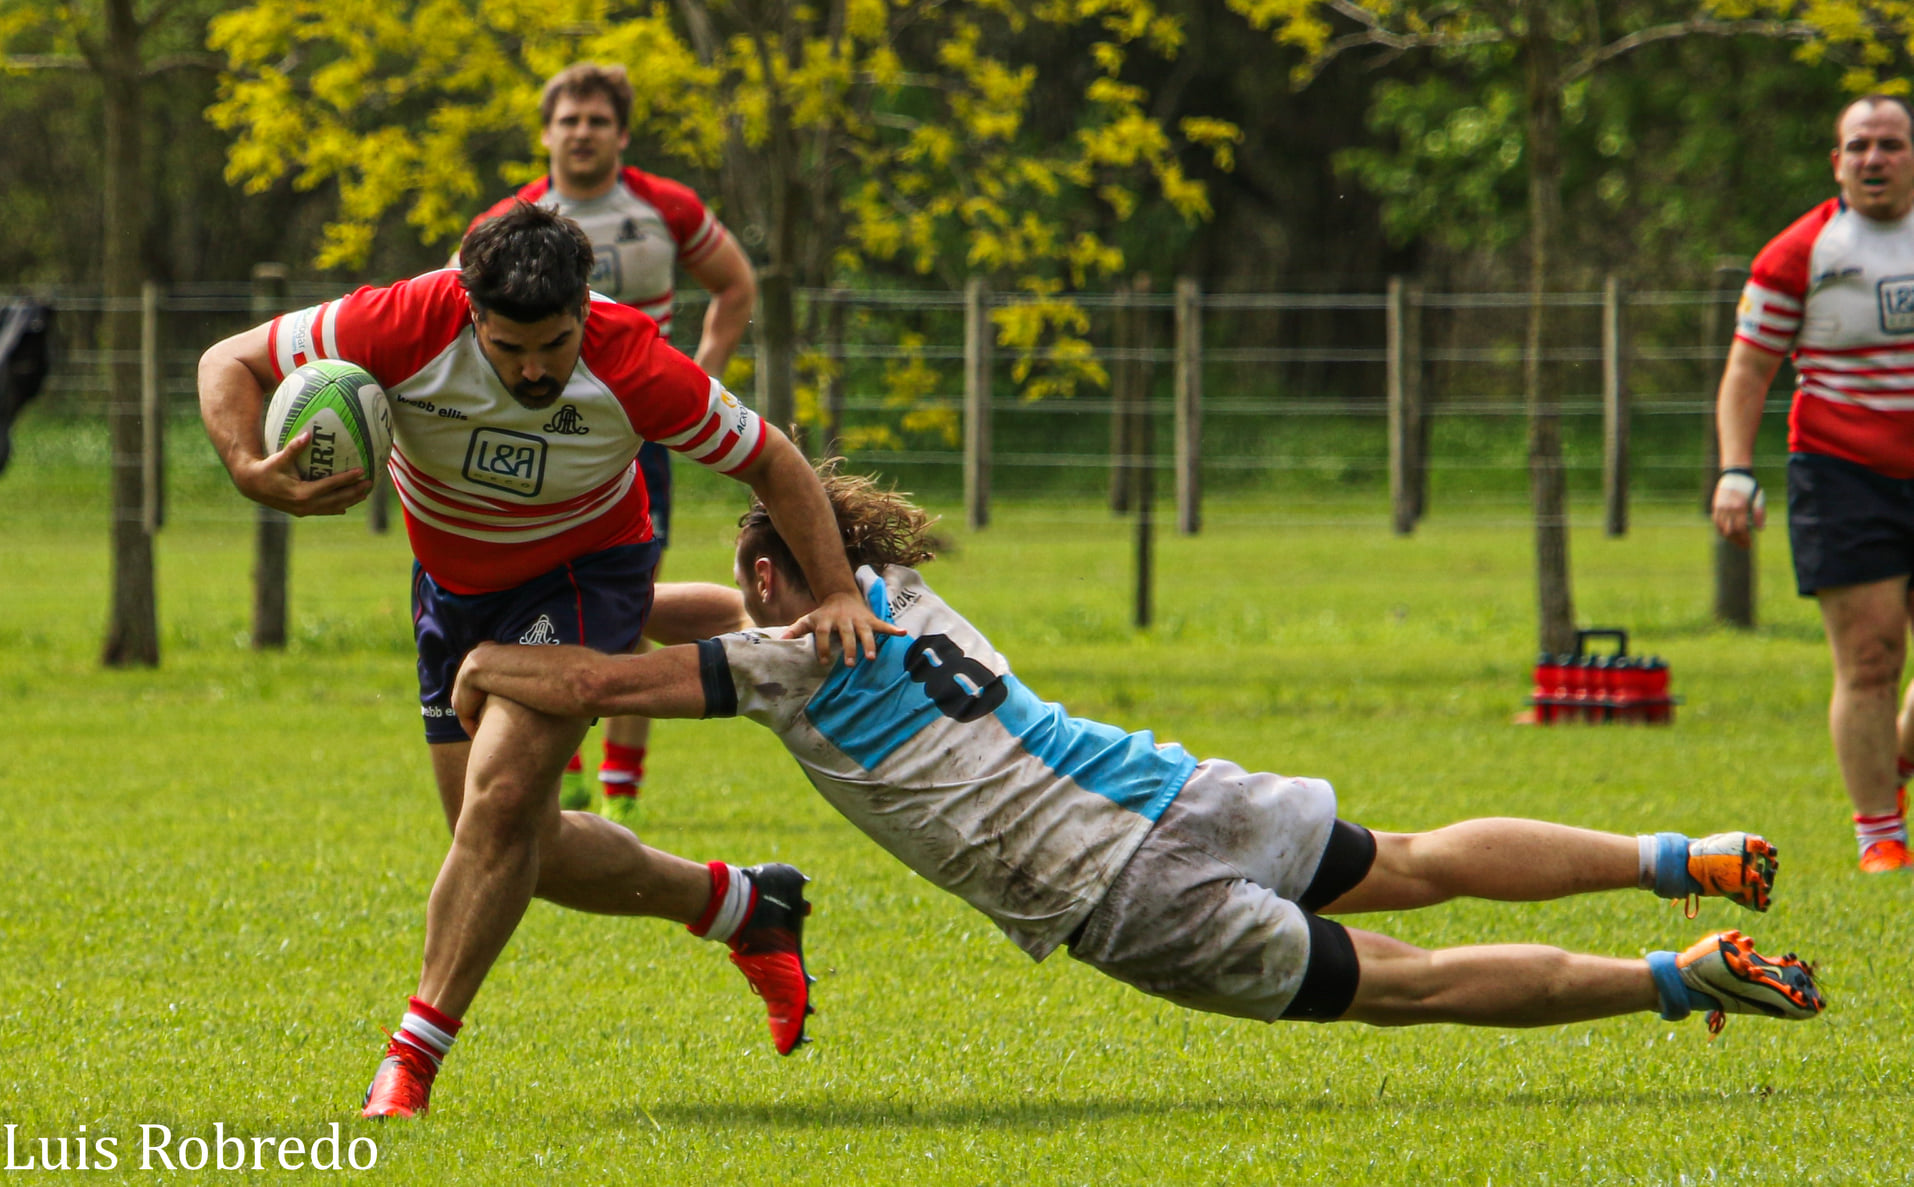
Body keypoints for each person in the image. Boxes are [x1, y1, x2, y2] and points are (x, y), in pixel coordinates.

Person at [454, 466, 1828, 1038]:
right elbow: (698, 609)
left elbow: (594, 679)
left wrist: (477, 659)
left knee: (1404, 984)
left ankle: (1677, 974)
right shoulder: (896, 594)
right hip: (1167, 785)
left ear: (771, 571)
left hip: (1112, 886)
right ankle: (1678, 856)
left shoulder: (779, 661)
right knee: (1412, 859)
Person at [197, 203, 899, 1119]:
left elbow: (773, 460)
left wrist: (838, 589)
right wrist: (245, 463)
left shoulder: (634, 361)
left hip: (583, 579)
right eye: (510, 349)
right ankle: (742, 905)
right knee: (509, 842)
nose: (534, 369)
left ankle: (409, 1063)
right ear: (470, 311)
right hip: (452, 594)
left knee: (498, 805)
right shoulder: (401, 321)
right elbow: (228, 361)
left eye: (555, 346)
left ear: (583, 310)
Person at [465, 62, 759, 821]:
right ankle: (558, 767)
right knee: (531, 593)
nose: (583, 133)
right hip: (532, 430)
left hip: (631, 436)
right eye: (569, 120)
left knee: (626, 603)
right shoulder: (509, 222)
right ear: (546, 133)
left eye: (598, 120)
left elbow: (735, 284)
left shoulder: (666, 206)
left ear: (622, 135)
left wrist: (699, 377)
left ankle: (621, 787)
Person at [1713, 93, 1914, 874]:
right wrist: (1735, 471)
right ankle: (1881, 838)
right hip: (1843, 474)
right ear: (1836, 162)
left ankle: (1893, 757)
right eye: (1858, 145)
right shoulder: (1799, 252)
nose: (1874, 158)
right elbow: (1748, 370)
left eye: (1891, 143)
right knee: (1871, 656)